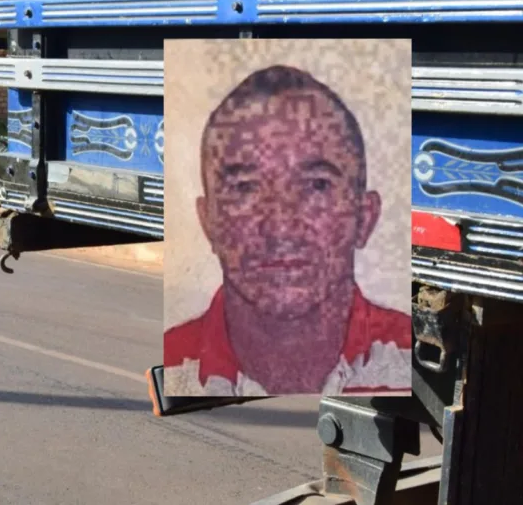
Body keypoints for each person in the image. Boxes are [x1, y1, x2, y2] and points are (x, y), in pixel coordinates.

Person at [163, 65, 411, 397]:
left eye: (316, 186)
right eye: (245, 188)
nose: (280, 226)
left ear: (364, 218)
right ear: (209, 222)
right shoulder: (172, 361)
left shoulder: (412, 357)